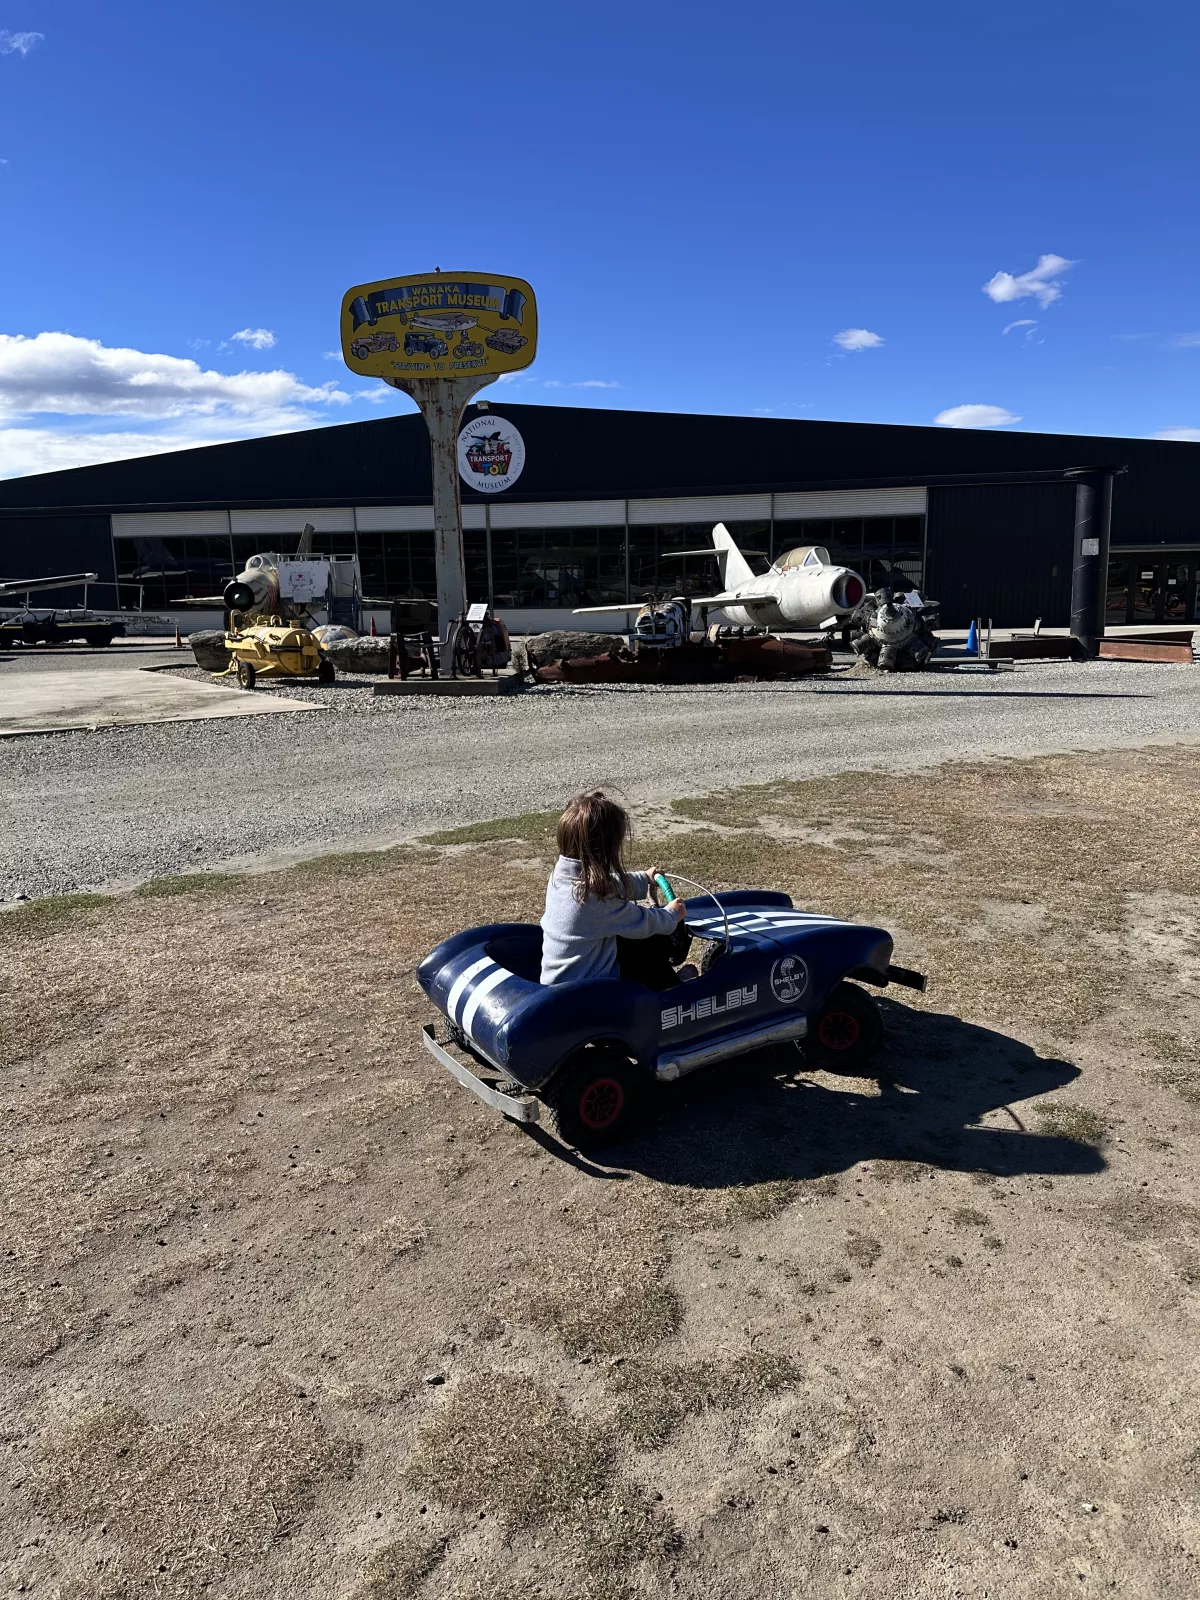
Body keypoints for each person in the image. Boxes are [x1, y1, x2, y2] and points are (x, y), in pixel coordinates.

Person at [540, 791, 688, 988]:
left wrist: (643, 879)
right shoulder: (594, 900)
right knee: (647, 945)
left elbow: (607, 884)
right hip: (587, 992)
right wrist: (672, 915)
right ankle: (674, 990)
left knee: (630, 946)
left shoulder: (561, 877)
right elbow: (642, 922)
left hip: (565, 980)